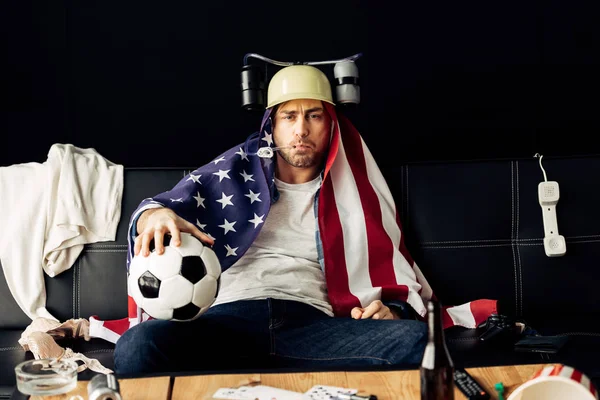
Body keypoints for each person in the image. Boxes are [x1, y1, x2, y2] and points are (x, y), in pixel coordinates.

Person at [92, 64, 497, 376]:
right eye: (289, 117)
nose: (301, 130)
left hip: (311, 324)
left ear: (331, 123)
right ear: (272, 124)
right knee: (138, 346)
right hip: (224, 321)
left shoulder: (352, 195)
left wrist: (393, 310)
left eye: (314, 116)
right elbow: (159, 210)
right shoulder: (231, 176)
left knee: (415, 340)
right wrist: (155, 213)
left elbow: (384, 272)